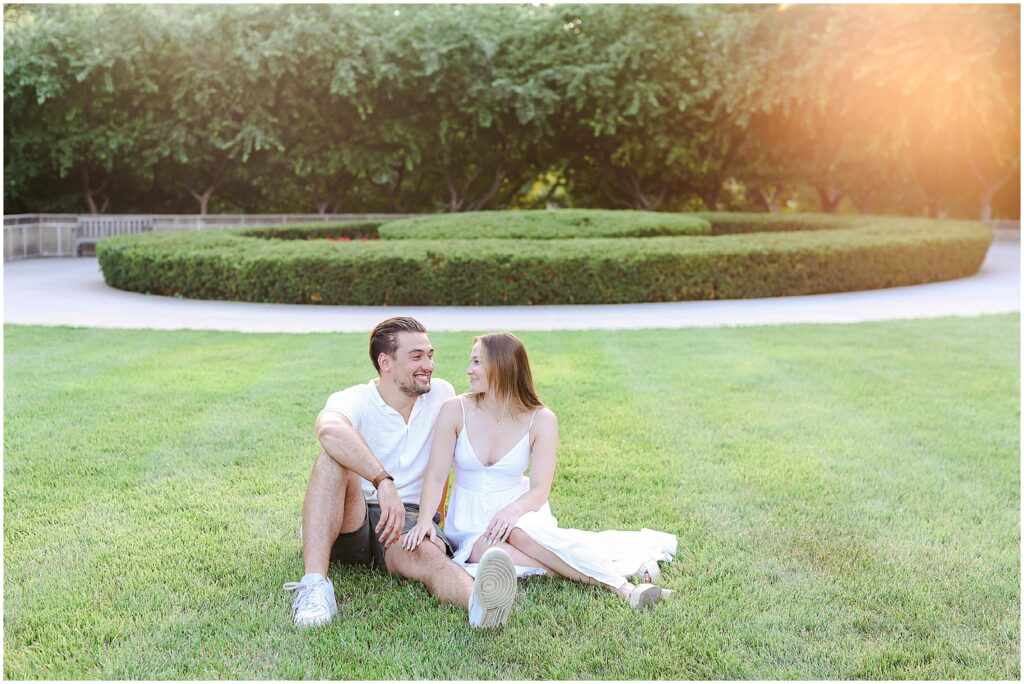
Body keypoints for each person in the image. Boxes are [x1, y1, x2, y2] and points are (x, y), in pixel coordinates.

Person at [405, 332, 677, 609]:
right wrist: (425, 520)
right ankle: (616, 573)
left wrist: (511, 513)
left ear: (501, 367)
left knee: (519, 535)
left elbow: (539, 489)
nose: (468, 370)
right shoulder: (454, 410)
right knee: (491, 554)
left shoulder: (541, 419)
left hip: (520, 509)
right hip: (469, 521)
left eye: (476, 362)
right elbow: (437, 474)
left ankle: (625, 590)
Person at [284, 317, 518, 629]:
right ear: (386, 362)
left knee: (430, 557)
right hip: (350, 516)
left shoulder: (442, 395)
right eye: (417, 356)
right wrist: (382, 481)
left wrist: (432, 517)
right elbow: (328, 430)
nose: (429, 365)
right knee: (330, 461)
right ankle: (314, 584)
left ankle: (479, 604)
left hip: (404, 521)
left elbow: (452, 454)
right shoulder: (354, 399)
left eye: (430, 355)